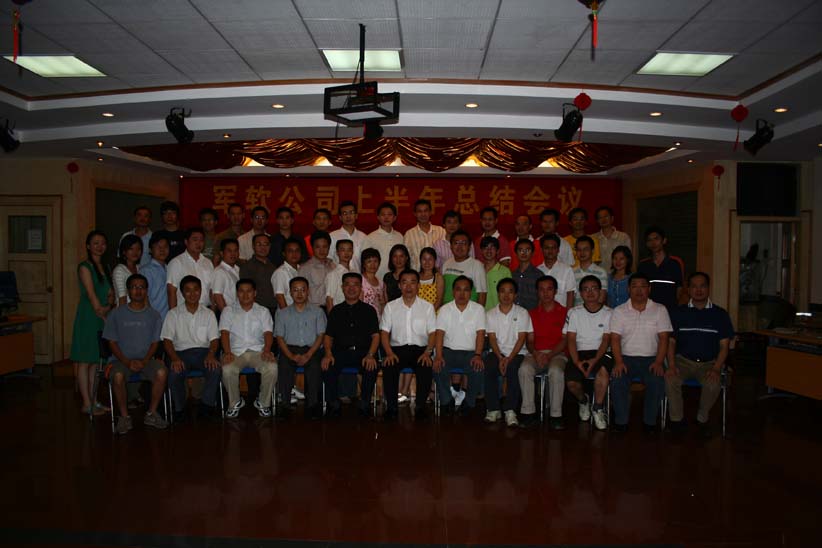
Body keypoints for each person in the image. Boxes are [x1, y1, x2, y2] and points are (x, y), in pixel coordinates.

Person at [665, 272, 734, 437]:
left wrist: (716, 368)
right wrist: (672, 365)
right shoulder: (678, 312)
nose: (698, 290)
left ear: (708, 288)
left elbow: (724, 346)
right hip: (682, 361)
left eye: (702, 286)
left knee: (713, 383)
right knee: (670, 378)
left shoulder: (720, 314)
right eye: (694, 286)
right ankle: (676, 421)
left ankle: (702, 418)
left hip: (709, 363)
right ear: (688, 290)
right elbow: (671, 342)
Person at [103, 273, 168, 434]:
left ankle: (151, 413)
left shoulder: (154, 315)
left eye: (141, 287)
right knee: (118, 376)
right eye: (134, 287)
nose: (138, 291)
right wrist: (127, 362)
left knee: (161, 372)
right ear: (128, 290)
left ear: (146, 290)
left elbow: (155, 343)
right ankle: (124, 417)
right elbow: (111, 342)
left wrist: (145, 361)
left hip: (146, 360)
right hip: (121, 360)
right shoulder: (116, 314)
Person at [609, 272, 672, 433]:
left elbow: (664, 339)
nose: (639, 290)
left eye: (643, 286)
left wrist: (659, 362)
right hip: (626, 358)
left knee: (656, 381)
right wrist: (618, 362)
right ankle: (621, 422)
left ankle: (649, 422)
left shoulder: (660, 309)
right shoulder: (619, 311)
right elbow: (615, 339)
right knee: (617, 380)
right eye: (634, 286)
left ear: (649, 289)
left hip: (652, 358)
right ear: (628, 289)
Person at [161, 275, 221, 421]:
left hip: (203, 353)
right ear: (182, 293)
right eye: (188, 290)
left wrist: (211, 355)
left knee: (215, 369)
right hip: (180, 354)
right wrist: (174, 358)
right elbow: (167, 341)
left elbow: (214, 340)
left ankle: (206, 406)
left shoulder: (208, 314)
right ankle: (179, 409)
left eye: (196, 290)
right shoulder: (173, 314)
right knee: (174, 373)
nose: (192, 293)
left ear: (200, 291)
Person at [380, 269, 437, 420]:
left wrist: (428, 352)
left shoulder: (427, 307)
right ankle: (392, 408)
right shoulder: (390, 307)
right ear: (399, 285)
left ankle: (420, 407)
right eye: (404, 282)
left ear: (418, 285)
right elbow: (384, 333)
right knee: (389, 366)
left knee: (425, 366)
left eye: (413, 282)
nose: (409, 286)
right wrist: (389, 353)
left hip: (420, 350)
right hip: (397, 350)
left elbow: (433, 333)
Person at [321, 273, 380, 418]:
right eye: (348, 284)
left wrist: (370, 355)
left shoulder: (369, 311)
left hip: (363, 353)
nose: (351, 288)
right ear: (342, 288)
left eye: (356, 285)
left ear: (361, 288)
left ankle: (365, 403)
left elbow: (376, 336)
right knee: (327, 365)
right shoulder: (336, 311)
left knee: (371, 366)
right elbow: (328, 336)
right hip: (340, 352)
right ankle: (333, 403)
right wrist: (328, 353)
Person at [219, 278, 278, 418]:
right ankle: (235, 403)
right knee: (227, 369)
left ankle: (263, 403)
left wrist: (267, 350)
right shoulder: (228, 311)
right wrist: (227, 352)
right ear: (237, 293)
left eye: (249, 291)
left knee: (272, 367)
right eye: (241, 291)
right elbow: (224, 333)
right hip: (235, 352)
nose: (245, 295)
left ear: (255, 293)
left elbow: (268, 333)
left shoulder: (263, 311)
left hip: (258, 351)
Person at [70, 230, 114, 416]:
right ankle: (86, 403)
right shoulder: (84, 267)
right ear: (88, 246)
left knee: (96, 361)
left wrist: (108, 307)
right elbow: (91, 294)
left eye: (102, 243)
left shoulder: (105, 266)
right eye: (95, 243)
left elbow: (110, 293)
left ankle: (94, 400)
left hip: (103, 315)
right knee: (84, 361)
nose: (99, 246)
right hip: (89, 316)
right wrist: (101, 312)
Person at [518, 275, 568, 429]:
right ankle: (528, 413)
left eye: (549, 289)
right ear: (537, 292)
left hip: (557, 354)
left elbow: (565, 340)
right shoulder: (531, 314)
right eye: (541, 290)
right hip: (536, 353)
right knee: (524, 369)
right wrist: (536, 354)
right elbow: (530, 341)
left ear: (556, 291)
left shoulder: (566, 312)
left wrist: (549, 355)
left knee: (556, 371)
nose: (545, 293)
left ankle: (556, 415)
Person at [564, 275, 613, 431]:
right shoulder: (574, 312)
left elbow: (606, 340)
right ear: (580, 293)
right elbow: (571, 339)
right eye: (586, 289)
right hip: (579, 352)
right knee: (571, 383)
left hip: (601, 352)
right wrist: (576, 361)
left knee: (603, 372)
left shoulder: (609, 312)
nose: (590, 292)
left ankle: (598, 408)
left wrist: (594, 360)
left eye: (594, 289)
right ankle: (583, 401)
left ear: (600, 291)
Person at [433, 276, 487, 416]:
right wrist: (438, 355)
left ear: (471, 292)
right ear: (453, 291)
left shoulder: (478, 309)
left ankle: (469, 402)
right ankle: (446, 401)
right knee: (437, 366)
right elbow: (439, 334)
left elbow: (480, 334)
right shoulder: (445, 309)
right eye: (458, 289)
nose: (462, 294)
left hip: (470, 353)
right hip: (448, 352)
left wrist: (478, 355)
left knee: (478, 368)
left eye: (466, 290)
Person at [275, 277, 326, 419]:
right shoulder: (282, 313)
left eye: (303, 290)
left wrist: (308, 354)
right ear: (290, 292)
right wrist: (291, 356)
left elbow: (321, 335)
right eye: (295, 290)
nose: (299, 293)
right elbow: (279, 338)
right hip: (289, 349)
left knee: (315, 366)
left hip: (312, 349)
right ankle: (285, 404)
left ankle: (312, 405)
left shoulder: (318, 312)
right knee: (284, 365)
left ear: (308, 291)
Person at [484, 278, 532, 427]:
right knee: (488, 366)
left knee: (513, 368)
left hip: (517, 353)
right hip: (497, 352)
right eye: (502, 291)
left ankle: (510, 410)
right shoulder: (490, 314)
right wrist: (500, 357)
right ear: (498, 294)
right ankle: (493, 409)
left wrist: (509, 358)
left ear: (515, 295)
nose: (506, 295)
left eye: (510, 291)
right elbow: (492, 338)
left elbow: (522, 338)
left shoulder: (522, 312)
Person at [637, 225, 685, 310]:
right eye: (649, 240)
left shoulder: (675, 263)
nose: (653, 243)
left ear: (664, 240)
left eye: (656, 239)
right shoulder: (643, 265)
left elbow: (680, 289)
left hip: (670, 310)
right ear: (647, 244)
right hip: (648, 310)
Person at [166, 227, 214, 310]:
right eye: (195, 240)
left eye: (201, 240)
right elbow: (171, 292)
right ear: (186, 242)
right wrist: (173, 314)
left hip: (206, 311)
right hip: (184, 311)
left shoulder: (208, 263)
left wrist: (213, 311)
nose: (198, 243)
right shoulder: (177, 262)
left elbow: (211, 290)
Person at [441, 230, 487, 305]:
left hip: (468, 311)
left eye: (464, 243)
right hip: (447, 309)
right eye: (456, 243)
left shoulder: (477, 265)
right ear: (451, 246)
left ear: (469, 247)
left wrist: (478, 311)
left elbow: (482, 294)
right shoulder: (446, 263)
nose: (460, 246)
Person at [239, 233, 276, 317]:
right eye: (259, 244)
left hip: (274, 308)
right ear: (253, 246)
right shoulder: (247, 267)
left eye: (266, 244)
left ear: (270, 246)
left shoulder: (273, 266)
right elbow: (246, 291)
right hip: (256, 311)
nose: (263, 247)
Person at [364, 201, 404, 279]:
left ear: (395, 217)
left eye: (389, 214)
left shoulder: (400, 236)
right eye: (383, 215)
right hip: (377, 278)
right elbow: (365, 261)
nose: (386, 217)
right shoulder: (370, 237)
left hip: (397, 278)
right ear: (378, 217)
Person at [405, 199, 447, 271]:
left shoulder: (441, 231)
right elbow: (406, 259)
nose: (423, 214)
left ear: (430, 212)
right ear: (415, 213)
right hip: (416, 275)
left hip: (437, 274)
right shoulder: (409, 234)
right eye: (419, 211)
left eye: (426, 211)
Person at [538, 234, 575, 309]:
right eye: (547, 248)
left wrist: (568, 314)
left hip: (562, 313)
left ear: (558, 250)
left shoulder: (567, 270)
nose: (550, 251)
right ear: (541, 249)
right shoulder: (537, 270)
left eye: (553, 248)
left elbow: (570, 294)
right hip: (542, 313)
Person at [300, 231, 335, 308]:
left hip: (333, 307)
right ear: (312, 247)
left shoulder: (333, 266)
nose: (321, 250)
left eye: (325, 246)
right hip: (314, 309)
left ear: (329, 247)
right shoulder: (305, 268)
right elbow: (301, 293)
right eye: (318, 247)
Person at [139, 233, 170, 320]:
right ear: (150, 250)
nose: (162, 250)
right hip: (153, 319)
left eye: (165, 246)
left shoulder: (170, 268)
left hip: (169, 320)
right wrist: (151, 318)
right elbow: (143, 297)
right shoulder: (146, 271)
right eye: (158, 247)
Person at [329, 201, 368, 271]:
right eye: (345, 213)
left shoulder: (363, 237)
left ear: (356, 215)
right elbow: (329, 259)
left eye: (351, 213)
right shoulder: (332, 236)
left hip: (357, 275)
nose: (348, 216)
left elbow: (366, 261)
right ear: (340, 217)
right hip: (338, 276)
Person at [572, 236, 608, 306]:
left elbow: (602, 297)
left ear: (592, 251)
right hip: (576, 311)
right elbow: (571, 297)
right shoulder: (571, 272)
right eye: (579, 250)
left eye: (585, 249)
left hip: (595, 311)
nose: (582, 253)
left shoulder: (601, 272)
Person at [594, 206, 631, 272]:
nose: (603, 219)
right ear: (597, 221)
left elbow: (628, 258)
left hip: (618, 275)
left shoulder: (623, 237)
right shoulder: (593, 238)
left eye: (606, 216)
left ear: (612, 218)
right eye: (600, 217)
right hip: (598, 275)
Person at [480, 236, 511, 310]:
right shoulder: (477, 269)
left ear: (497, 251)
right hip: (480, 313)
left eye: (492, 247)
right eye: (485, 247)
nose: (489, 250)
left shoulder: (505, 271)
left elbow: (509, 295)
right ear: (481, 251)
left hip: (498, 313)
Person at [272, 237, 302, 309]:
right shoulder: (280, 272)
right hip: (288, 312)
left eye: (297, 250)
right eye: (290, 251)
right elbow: (280, 297)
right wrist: (287, 314)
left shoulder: (302, 269)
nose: (294, 254)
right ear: (284, 253)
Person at [511, 239, 541, 311]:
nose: (524, 253)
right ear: (516, 253)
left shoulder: (539, 275)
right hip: (514, 314)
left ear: (533, 253)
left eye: (527, 250)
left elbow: (541, 299)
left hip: (532, 314)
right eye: (520, 250)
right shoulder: (512, 275)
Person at [211, 238, 240, 312]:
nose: (233, 254)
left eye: (235, 250)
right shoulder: (220, 271)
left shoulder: (237, 269)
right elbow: (217, 296)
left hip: (237, 312)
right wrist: (226, 315)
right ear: (221, 253)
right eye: (229, 251)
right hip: (227, 313)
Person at [325, 239, 354, 312]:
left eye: (349, 250)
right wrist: (332, 317)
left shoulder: (355, 272)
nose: (346, 253)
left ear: (352, 252)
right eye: (343, 250)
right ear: (337, 253)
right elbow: (329, 299)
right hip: (339, 313)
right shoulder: (333, 274)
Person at [112, 234, 142, 305]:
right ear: (124, 251)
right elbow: (122, 299)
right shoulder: (119, 270)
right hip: (125, 309)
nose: (135, 252)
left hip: (139, 309)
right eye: (131, 249)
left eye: (138, 249)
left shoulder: (140, 268)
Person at [360, 248, 386, 319]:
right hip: (364, 319)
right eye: (369, 261)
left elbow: (384, 304)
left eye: (375, 261)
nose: (373, 264)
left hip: (379, 320)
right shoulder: (360, 280)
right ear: (364, 264)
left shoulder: (382, 283)